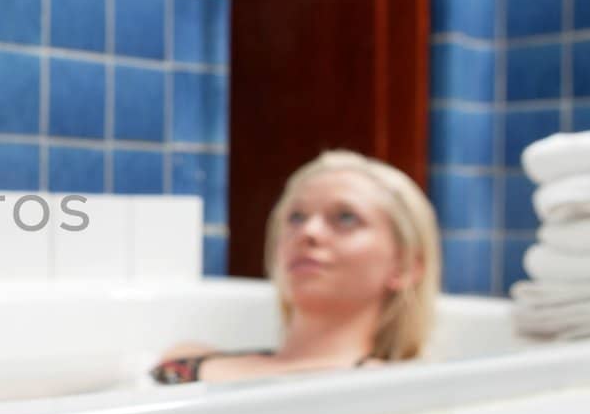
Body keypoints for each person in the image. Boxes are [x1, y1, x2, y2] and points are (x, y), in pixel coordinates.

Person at [150, 150, 441, 384]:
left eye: (346, 218)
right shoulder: (187, 358)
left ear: (404, 267)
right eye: (297, 217)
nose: (308, 232)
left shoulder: (381, 388)